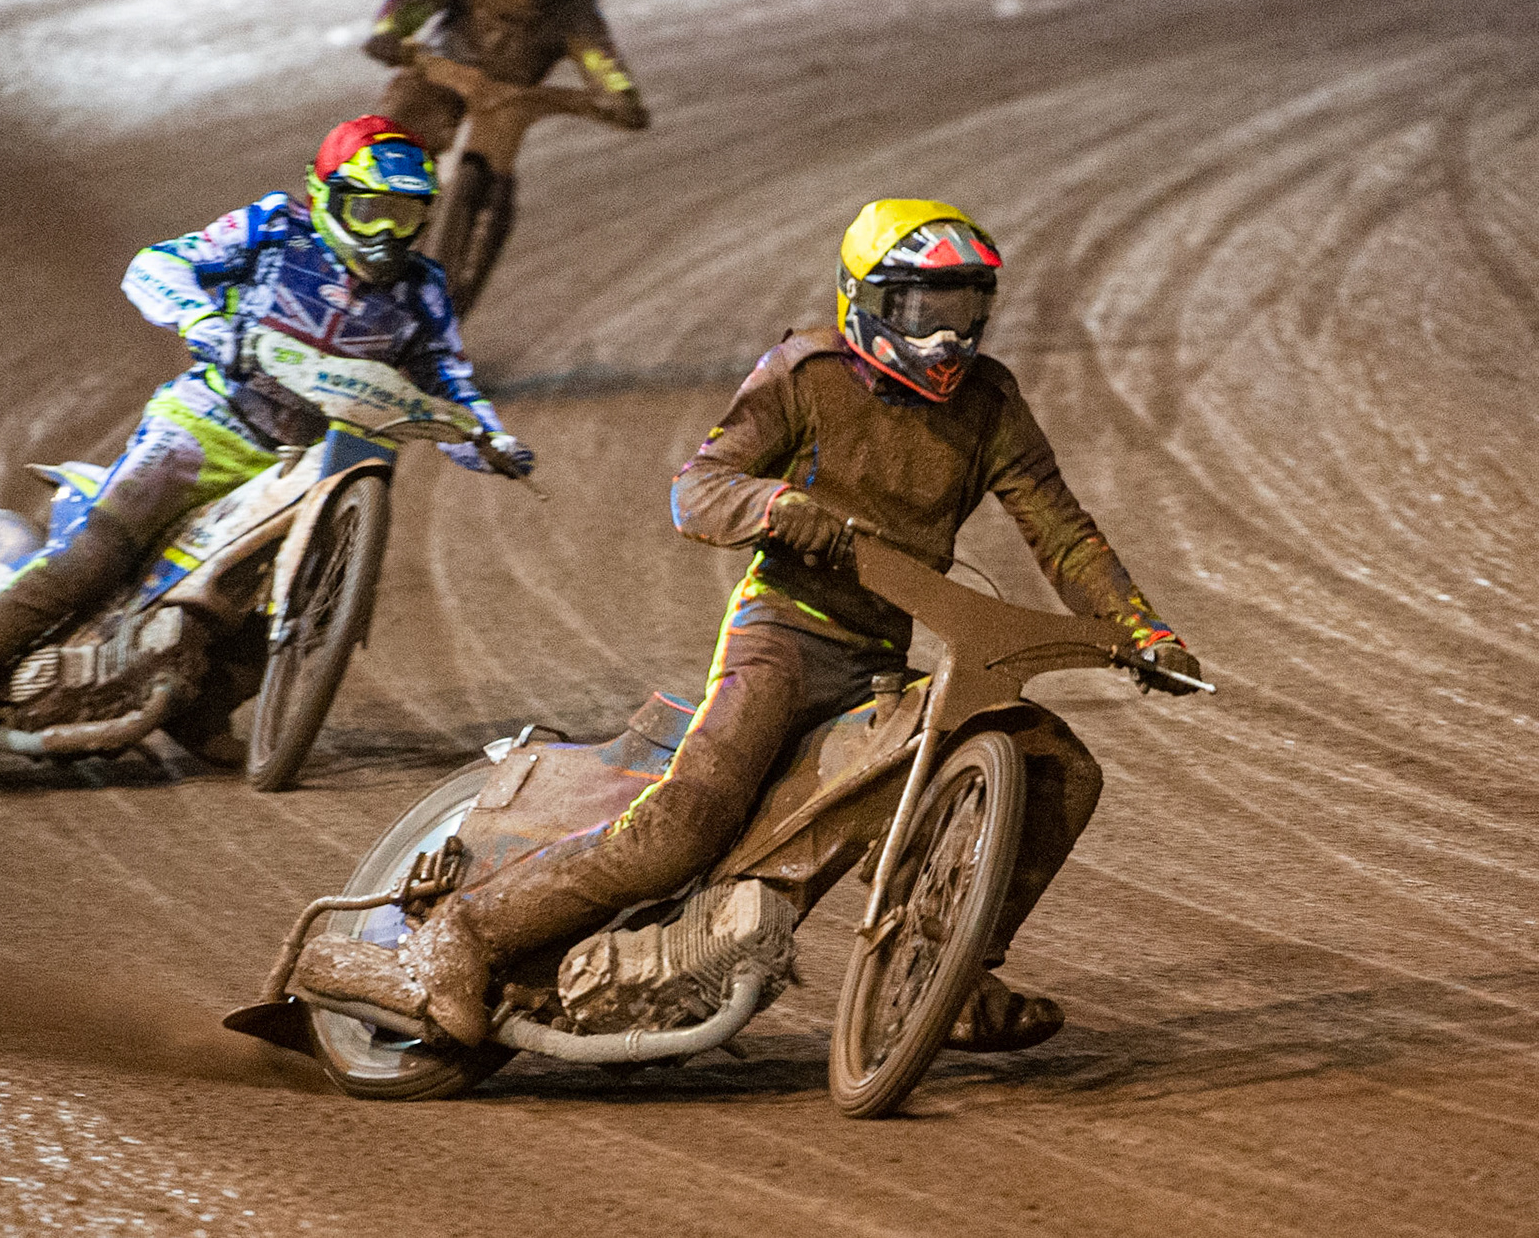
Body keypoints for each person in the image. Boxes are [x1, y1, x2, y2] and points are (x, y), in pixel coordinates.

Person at [303, 198, 1203, 1053]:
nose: (944, 337)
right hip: (783, 633)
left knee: (1061, 767)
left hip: (882, 662)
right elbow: (697, 486)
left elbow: (1062, 527)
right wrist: (774, 504)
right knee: (686, 824)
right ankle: (461, 933)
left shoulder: (991, 403)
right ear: (866, 302)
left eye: (964, 311)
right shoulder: (806, 374)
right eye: (922, 308)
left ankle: (954, 971)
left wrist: (1140, 630)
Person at [0, 116, 532, 735]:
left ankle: (199, 712)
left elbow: (446, 375)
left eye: (409, 214)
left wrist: (489, 440)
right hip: (210, 422)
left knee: (321, 596)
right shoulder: (275, 228)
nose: (390, 233)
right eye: (373, 212)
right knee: (101, 550)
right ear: (328, 198)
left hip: (315, 458)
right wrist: (205, 325)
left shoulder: (423, 289)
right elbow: (156, 265)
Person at [362, 0, 649, 300]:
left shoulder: (576, 6)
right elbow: (418, 0)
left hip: (509, 101)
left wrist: (619, 95)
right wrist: (390, 31)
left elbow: (603, 61)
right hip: (442, 76)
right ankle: (352, 237)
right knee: (390, 145)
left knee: (498, 177)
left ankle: (472, 256)